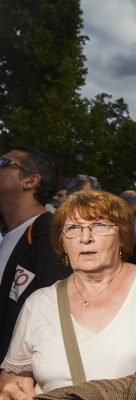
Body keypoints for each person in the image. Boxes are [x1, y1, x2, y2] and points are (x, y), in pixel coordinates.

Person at [0, 189, 136, 397]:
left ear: (122, 237)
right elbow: (13, 376)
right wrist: (13, 387)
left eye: (98, 225)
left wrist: (127, 388)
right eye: (73, 228)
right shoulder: (38, 302)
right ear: (62, 243)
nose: (85, 237)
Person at [0, 146, 72, 362]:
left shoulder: (49, 237)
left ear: (30, 181)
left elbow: (57, 320)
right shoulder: (7, 233)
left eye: (4, 164)